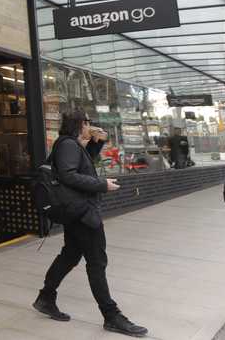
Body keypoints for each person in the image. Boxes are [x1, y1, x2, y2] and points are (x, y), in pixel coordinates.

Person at [32, 109, 148, 337]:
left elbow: (83, 166)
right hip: (82, 212)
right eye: (87, 123)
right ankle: (111, 316)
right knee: (96, 262)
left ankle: (46, 297)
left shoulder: (70, 145)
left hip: (76, 211)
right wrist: (102, 185)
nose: (90, 126)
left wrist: (97, 143)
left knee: (70, 256)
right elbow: (68, 175)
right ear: (79, 123)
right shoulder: (67, 145)